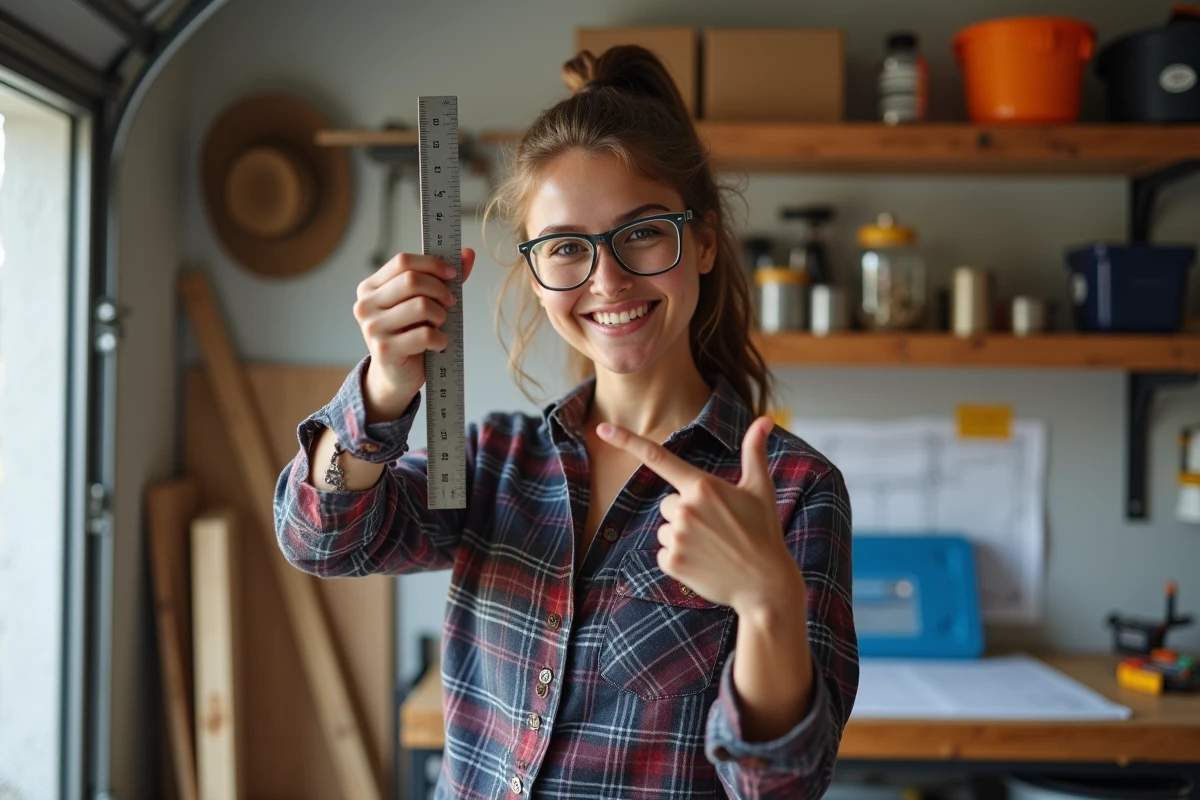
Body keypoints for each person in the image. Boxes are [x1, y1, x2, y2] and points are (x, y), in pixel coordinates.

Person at [275, 46, 858, 800]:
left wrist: (768, 604)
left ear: (704, 240)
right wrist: (384, 387)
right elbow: (320, 539)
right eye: (566, 249)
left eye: (643, 233)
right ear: (536, 272)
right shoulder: (493, 462)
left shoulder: (790, 492)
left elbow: (780, 789)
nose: (607, 280)